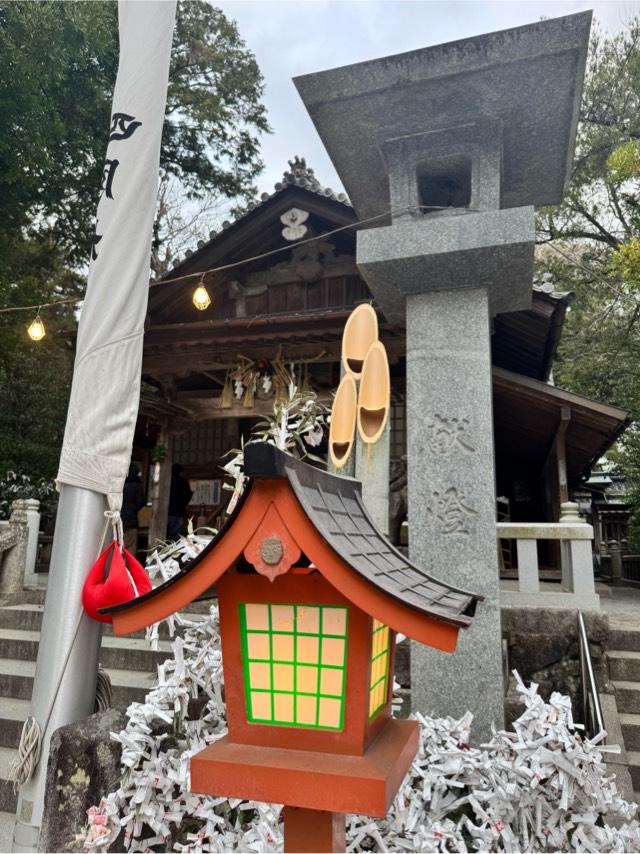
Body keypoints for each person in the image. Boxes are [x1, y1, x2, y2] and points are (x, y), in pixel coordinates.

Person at [122, 463, 145, 555]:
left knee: (119, 543)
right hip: (132, 519)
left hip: (119, 517)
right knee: (131, 545)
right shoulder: (137, 485)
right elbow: (141, 501)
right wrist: (133, 508)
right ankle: (128, 567)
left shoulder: (122, 484)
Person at [167, 463, 193, 540]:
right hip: (179, 511)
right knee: (176, 534)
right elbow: (188, 495)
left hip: (168, 511)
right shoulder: (183, 482)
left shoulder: (168, 481)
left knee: (167, 534)